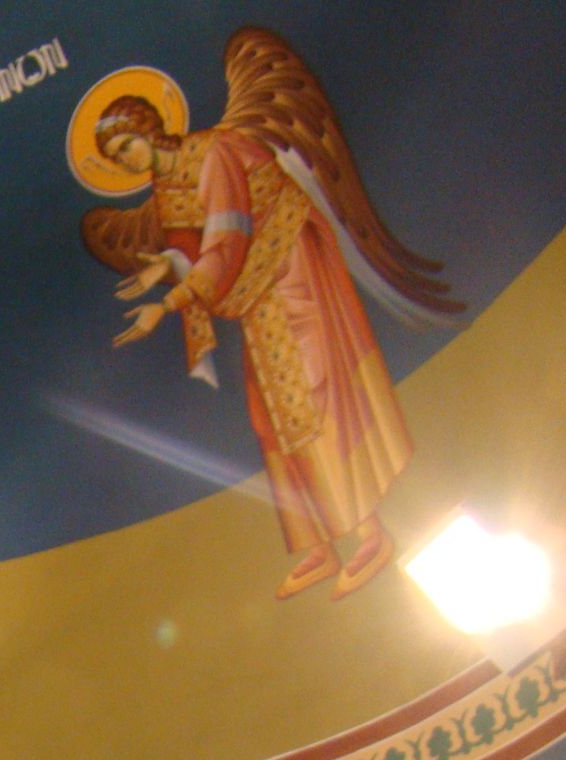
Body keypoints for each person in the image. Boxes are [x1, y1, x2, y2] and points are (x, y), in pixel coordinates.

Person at [82, 28, 459, 601]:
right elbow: (193, 245)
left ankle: (367, 532)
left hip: (289, 269)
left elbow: (228, 238)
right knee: (269, 419)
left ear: (148, 130)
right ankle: (315, 544)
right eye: (114, 159)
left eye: (126, 147)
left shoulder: (211, 154)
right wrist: (163, 269)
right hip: (256, 294)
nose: (126, 161)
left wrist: (167, 306)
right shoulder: (165, 183)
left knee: (311, 397)